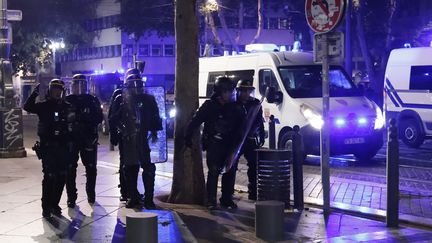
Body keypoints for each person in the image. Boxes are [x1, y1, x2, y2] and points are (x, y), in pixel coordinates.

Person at [185, 77, 245, 210]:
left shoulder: (235, 107)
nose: (231, 94)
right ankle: (211, 200)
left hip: (230, 144)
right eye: (228, 91)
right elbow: (196, 121)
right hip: (214, 143)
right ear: (220, 92)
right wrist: (187, 136)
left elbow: (242, 126)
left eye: (231, 91)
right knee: (213, 171)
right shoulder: (210, 106)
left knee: (230, 171)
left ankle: (226, 198)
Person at [109, 73, 162, 209]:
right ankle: (132, 197)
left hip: (143, 138)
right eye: (132, 84)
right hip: (128, 139)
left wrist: (155, 131)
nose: (136, 87)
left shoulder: (148, 99)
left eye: (138, 84)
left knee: (148, 168)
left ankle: (149, 199)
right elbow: (114, 118)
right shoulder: (122, 99)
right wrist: (119, 132)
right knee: (130, 168)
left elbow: (156, 117)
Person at [23, 79, 73, 218]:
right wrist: (35, 93)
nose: (57, 92)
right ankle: (46, 207)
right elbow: (27, 107)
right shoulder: (44, 106)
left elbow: (73, 124)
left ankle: (54, 204)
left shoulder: (66, 106)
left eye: (59, 89)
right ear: (50, 90)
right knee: (50, 177)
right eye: (55, 89)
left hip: (63, 147)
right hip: (48, 147)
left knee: (62, 176)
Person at [65, 74, 103, 207]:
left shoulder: (92, 100)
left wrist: (85, 118)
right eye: (76, 84)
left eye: (82, 84)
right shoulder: (67, 100)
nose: (79, 87)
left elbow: (99, 118)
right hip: (71, 138)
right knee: (70, 168)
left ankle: (91, 194)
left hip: (88, 138)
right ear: (72, 86)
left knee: (91, 168)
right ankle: (71, 196)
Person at [108, 68, 141, 202]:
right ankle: (125, 191)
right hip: (125, 135)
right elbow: (112, 117)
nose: (134, 84)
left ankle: (133, 191)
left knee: (136, 164)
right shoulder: (119, 95)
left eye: (137, 80)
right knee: (125, 163)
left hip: (139, 135)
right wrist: (114, 136)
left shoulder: (142, 94)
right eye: (131, 81)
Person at [235, 79, 265, 200]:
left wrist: (261, 134)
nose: (246, 93)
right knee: (232, 166)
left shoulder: (255, 104)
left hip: (250, 139)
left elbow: (259, 121)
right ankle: (227, 193)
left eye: (248, 91)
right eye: (243, 91)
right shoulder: (234, 103)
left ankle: (253, 192)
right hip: (236, 139)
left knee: (253, 165)